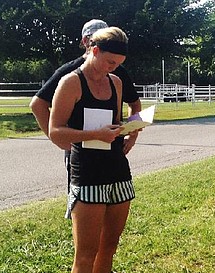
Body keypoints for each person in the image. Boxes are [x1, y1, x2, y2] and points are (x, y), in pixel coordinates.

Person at [49, 26, 138, 273]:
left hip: (117, 172)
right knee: (85, 253)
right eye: (109, 61)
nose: (113, 68)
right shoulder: (71, 82)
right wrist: (95, 135)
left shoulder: (115, 83)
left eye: (118, 63)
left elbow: (114, 123)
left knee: (108, 248)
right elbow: (55, 132)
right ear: (93, 51)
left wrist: (127, 131)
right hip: (86, 175)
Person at [30, 19, 141, 192]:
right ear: (86, 43)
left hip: (112, 155)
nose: (112, 67)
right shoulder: (69, 73)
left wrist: (131, 135)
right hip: (81, 157)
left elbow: (134, 104)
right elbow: (38, 105)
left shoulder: (117, 72)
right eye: (92, 39)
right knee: (81, 203)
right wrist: (62, 142)